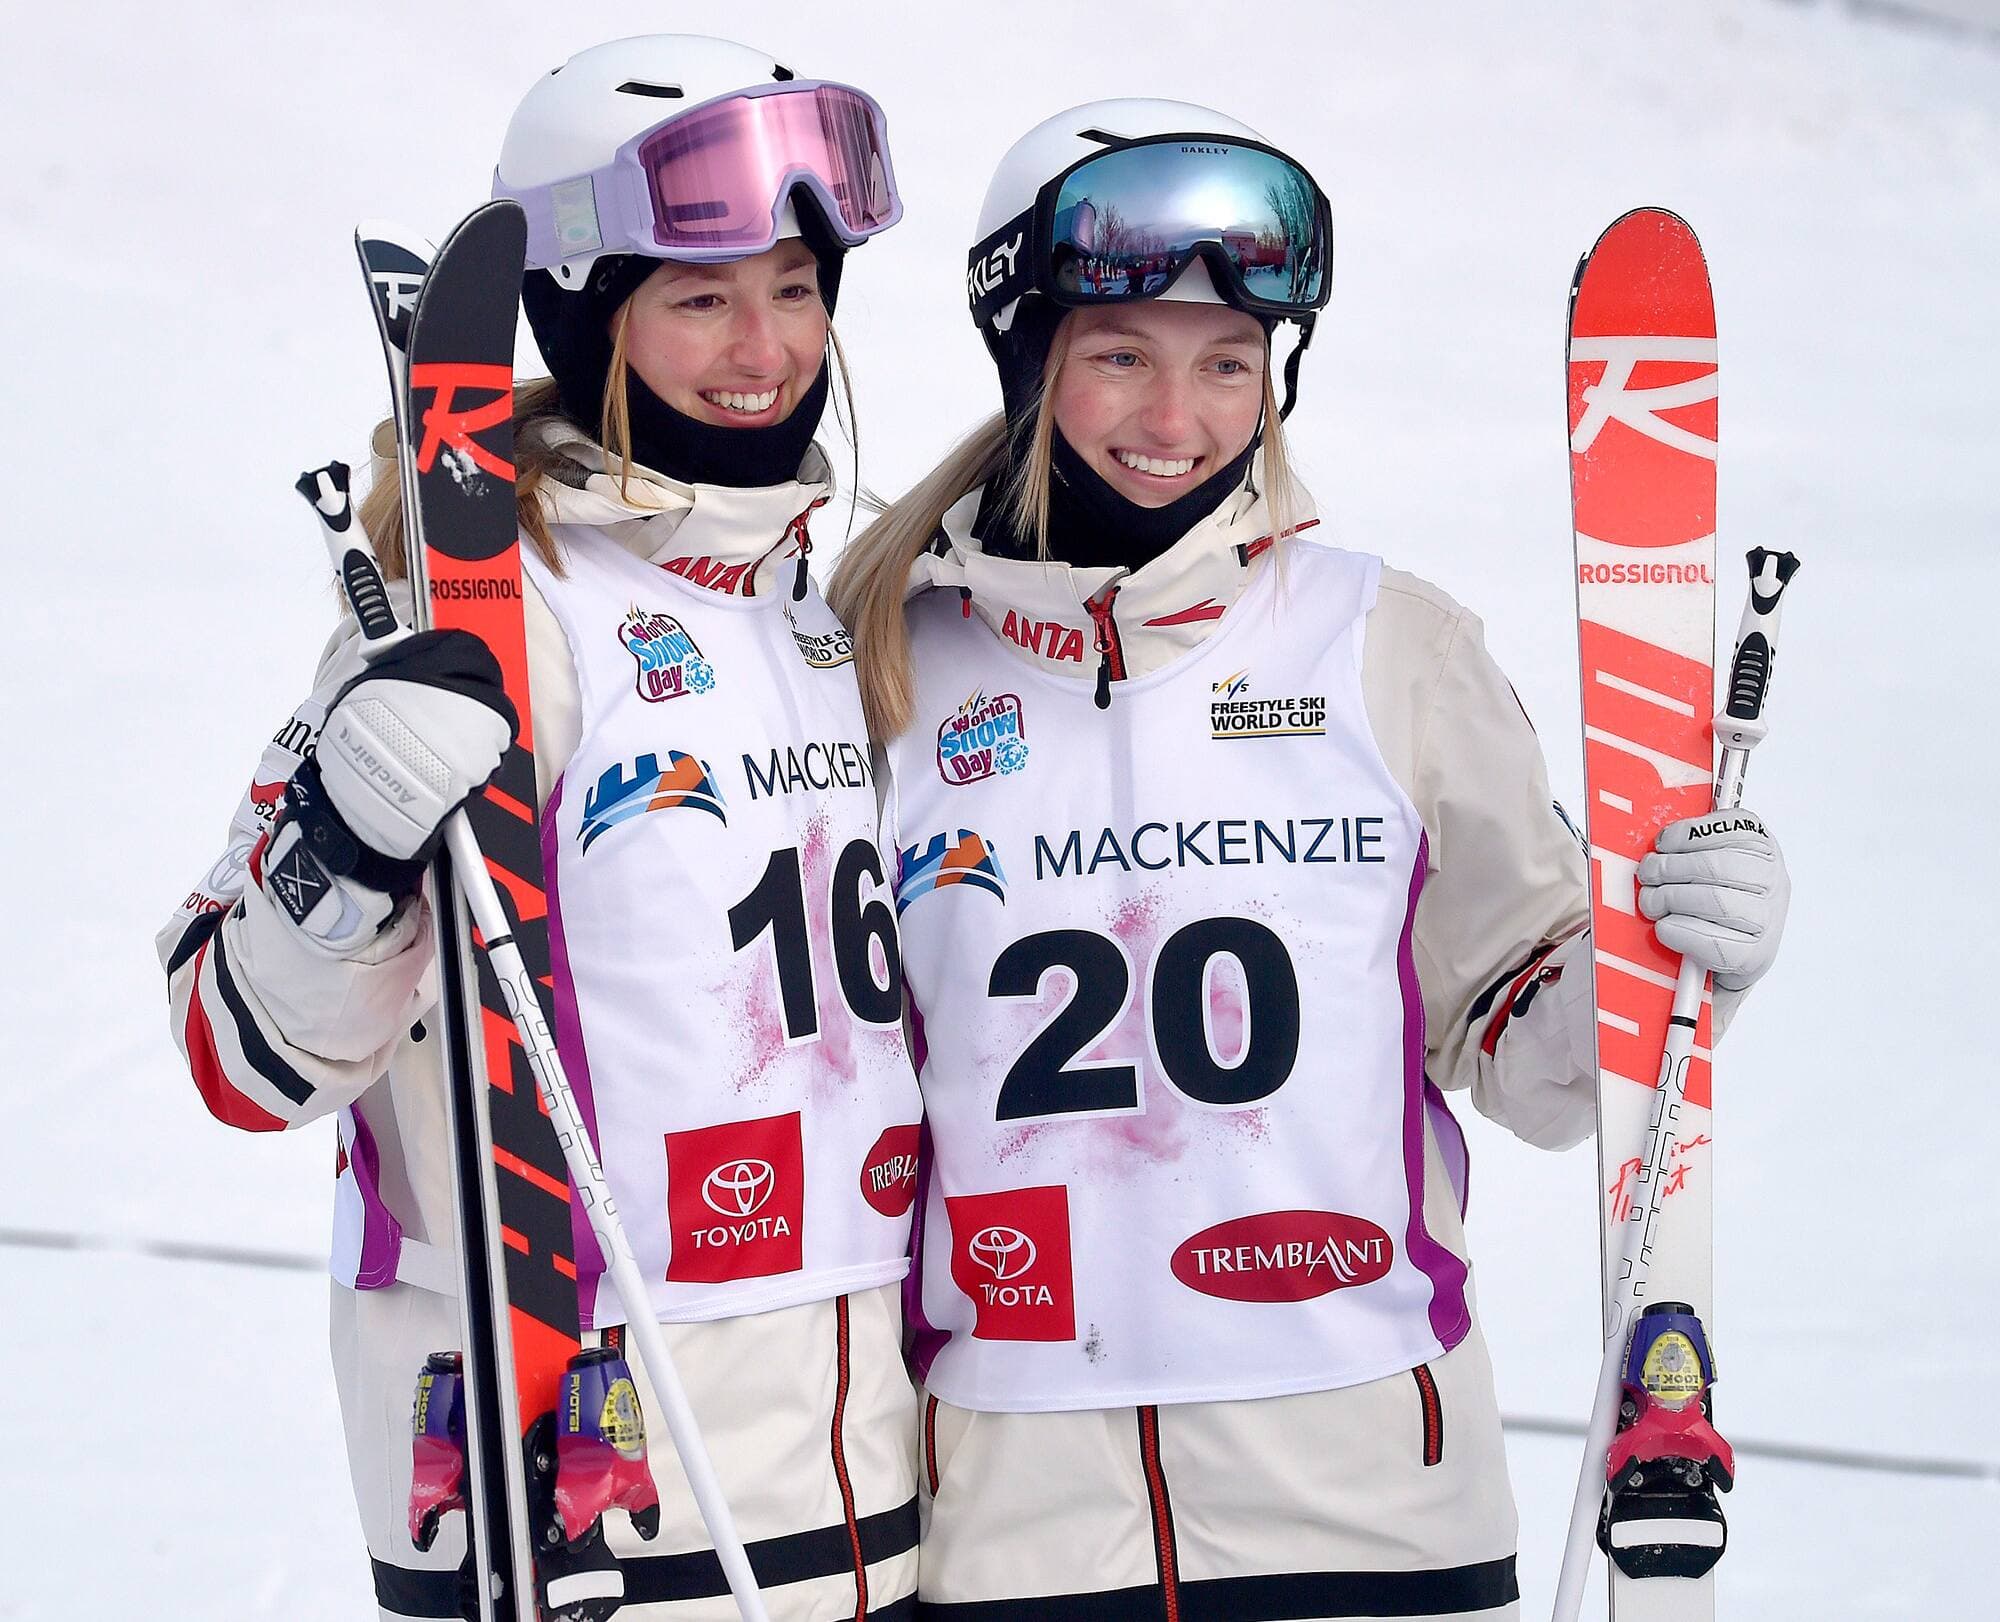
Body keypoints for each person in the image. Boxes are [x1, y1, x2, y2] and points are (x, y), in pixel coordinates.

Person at [828, 101, 1791, 1620]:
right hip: (1007, 1513)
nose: (1178, 416)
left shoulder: (1386, 647)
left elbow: (1532, 1051)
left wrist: (1673, 963)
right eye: (1122, 355)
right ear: (1027, 356)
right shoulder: (887, 666)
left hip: (1369, 1507)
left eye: (1229, 362)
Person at [160, 36, 923, 1621]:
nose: (765, 349)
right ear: (583, 314)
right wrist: (347, 837)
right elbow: (235, 1055)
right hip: (593, 1487)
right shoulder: (496, 618)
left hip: (863, 1486)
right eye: (699, 299)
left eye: (795, 288)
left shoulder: (819, 611)